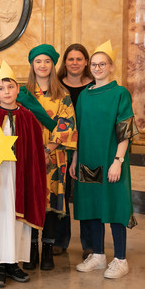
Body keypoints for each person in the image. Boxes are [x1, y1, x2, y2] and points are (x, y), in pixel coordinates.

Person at [0, 60, 47, 288]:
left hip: (19, 174)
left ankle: (13, 262)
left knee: (16, 219)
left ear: (17, 89)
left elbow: (34, 152)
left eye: (11, 87)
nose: (6, 92)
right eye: (1, 89)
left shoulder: (28, 117)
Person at [70, 41, 138, 279]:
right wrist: (74, 160)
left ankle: (120, 259)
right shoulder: (85, 96)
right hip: (87, 158)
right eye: (95, 64)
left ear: (111, 67)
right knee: (92, 207)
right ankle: (98, 256)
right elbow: (78, 130)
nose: (98, 68)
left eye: (103, 64)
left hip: (111, 159)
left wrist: (118, 160)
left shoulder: (120, 93)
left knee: (115, 206)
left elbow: (125, 130)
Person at [18, 44, 77, 271]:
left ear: (53, 65)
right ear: (32, 65)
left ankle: (48, 250)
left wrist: (48, 148)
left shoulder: (62, 94)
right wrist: (35, 150)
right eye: (38, 61)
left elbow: (68, 125)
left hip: (55, 158)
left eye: (47, 61)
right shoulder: (23, 94)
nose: (42, 65)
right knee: (33, 202)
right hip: (29, 157)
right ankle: (31, 250)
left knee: (51, 204)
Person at [55, 44, 94, 258]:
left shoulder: (95, 86)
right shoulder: (58, 86)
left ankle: (89, 243)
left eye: (79, 59)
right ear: (65, 62)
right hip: (63, 148)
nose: (75, 63)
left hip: (89, 149)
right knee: (62, 193)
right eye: (71, 59)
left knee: (87, 193)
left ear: (86, 62)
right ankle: (60, 240)